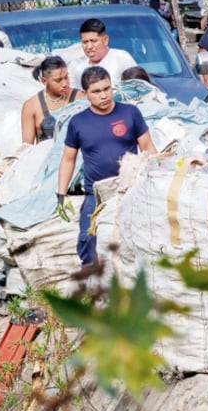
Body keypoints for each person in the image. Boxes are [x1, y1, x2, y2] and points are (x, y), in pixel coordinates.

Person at [57, 66, 156, 267]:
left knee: (136, 238)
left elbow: (148, 148)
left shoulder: (130, 113)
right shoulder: (78, 122)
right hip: (97, 194)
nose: (103, 95)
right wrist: (61, 194)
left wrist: (155, 180)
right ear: (85, 94)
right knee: (88, 239)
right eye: (96, 91)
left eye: (107, 89)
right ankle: (92, 288)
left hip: (129, 189)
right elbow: (68, 159)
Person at [21, 56, 83, 144]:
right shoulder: (31, 106)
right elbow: (27, 146)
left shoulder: (80, 98)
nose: (65, 84)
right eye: (58, 80)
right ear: (44, 81)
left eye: (66, 77)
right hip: (43, 155)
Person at [67, 18, 137, 90]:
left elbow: (138, 88)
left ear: (105, 40)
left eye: (93, 41)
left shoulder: (121, 58)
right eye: (85, 42)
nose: (89, 47)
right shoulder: (77, 67)